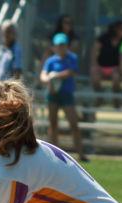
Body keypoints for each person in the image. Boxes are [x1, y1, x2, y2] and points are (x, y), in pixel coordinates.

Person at [40, 32, 86, 162]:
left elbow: (71, 72)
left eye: (63, 45)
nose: (61, 48)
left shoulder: (72, 58)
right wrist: (48, 78)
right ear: (54, 47)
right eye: (58, 45)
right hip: (53, 94)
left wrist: (55, 76)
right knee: (53, 124)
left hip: (66, 94)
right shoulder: (50, 60)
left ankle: (80, 153)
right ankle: (53, 155)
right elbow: (43, 75)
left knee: (73, 123)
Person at [90, 20, 122, 105]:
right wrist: (95, 65)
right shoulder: (103, 38)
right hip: (101, 67)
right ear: (115, 29)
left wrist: (120, 68)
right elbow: (94, 51)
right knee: (95, 78)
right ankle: (99, 97)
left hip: (116, 68)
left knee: (116, 78)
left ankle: (116, 99)